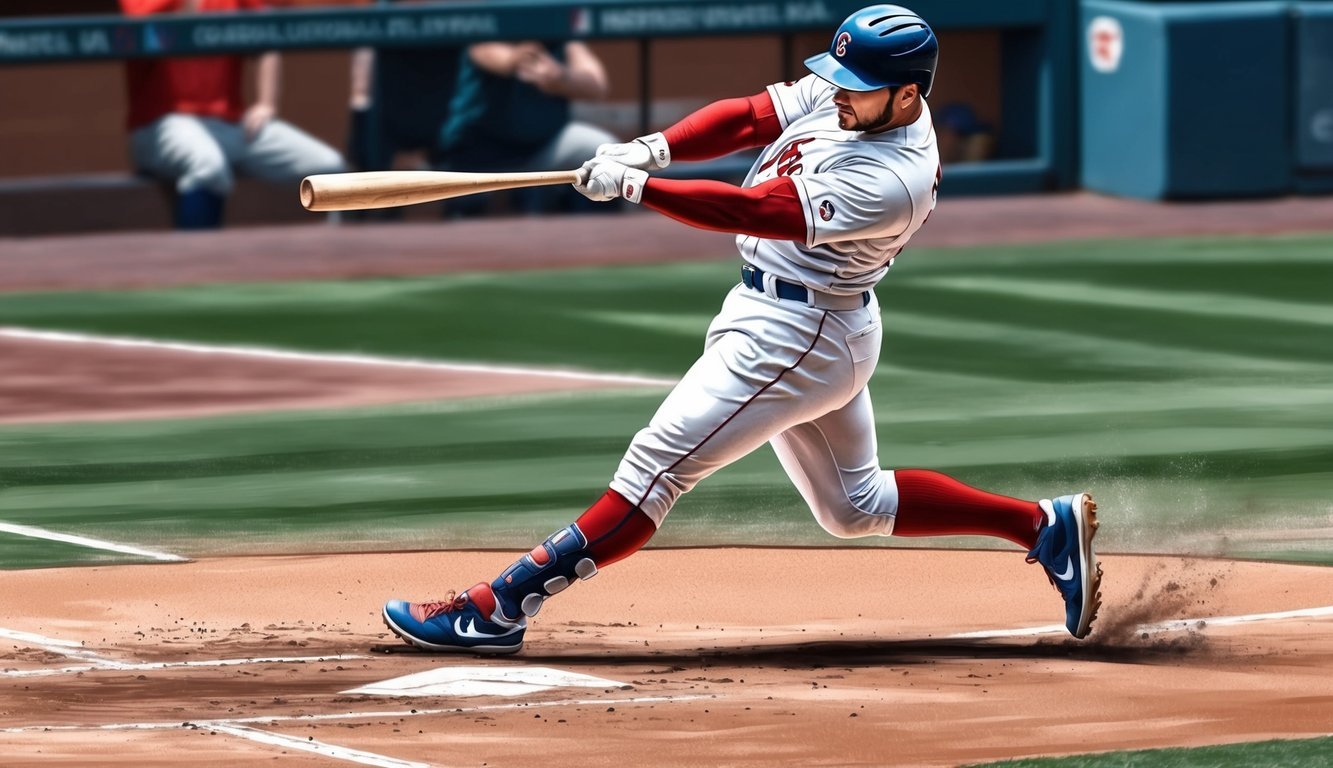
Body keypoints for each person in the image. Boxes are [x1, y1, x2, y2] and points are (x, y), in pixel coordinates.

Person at [383, 5, 1102, 654]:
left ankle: (495, 610)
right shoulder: (861, 92)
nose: (837, 91)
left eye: (854, 85)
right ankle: (1041, 526)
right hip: (795, 317)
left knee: (654, 470)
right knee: (854, 509)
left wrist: (635, 188)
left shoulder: (891, 178)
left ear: (908, 94)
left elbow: (754, 210)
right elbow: (753, 117)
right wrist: (652, 150)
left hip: (801, 336)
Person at [121, 0, 345, 229]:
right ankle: (197, 260)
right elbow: (141, 25)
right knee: (207, 165)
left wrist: (267, 102)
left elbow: (266, 38)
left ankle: (345, 259)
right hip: (161, 123)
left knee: (330, 168)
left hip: (229, 124)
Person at [434, 39, 617, 215]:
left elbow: (598, 85)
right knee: (470, 215)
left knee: (605, 154)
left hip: (543, 147)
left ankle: (595, 235)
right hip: (478, 155)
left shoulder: (559, 28)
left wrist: (561, 77)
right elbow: (497, 58)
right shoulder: (488, 25)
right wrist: (524, 56)